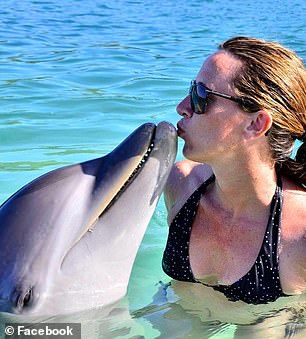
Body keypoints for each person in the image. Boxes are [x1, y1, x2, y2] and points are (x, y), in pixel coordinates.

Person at [162, 36, 306, 305]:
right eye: (191, 89)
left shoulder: (300, 236)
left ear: (256, 123)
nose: (182, 107)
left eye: (201, 96)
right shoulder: (180, 183)